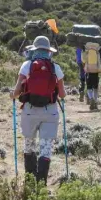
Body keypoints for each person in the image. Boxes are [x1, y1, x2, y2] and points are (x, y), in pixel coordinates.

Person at [10, 35, 67, 184]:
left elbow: (16, 92)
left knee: (29, 145)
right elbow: (62, 94)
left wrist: (13, 94)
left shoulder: (27, 66)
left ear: (34, 49)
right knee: (46, 148)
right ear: (48, 50)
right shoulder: (56, 67)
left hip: (30, 111)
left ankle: (29, 182)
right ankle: (41, 185)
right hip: (50, 112)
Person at [81, 41, 101, 110]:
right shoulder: (97, 52)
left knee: (89, 87)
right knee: (95, 88)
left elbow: (83, 61)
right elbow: (99, 61)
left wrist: (82, 52)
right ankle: (95, 101)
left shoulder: (87, 52)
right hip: (96, 72)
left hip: (88, 72)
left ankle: (91, 99)